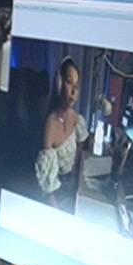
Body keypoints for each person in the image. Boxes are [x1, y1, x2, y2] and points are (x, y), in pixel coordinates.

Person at [34, 55, 89, 204]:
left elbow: (81, 143)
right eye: (69, 82)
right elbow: (48, 189)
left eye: (76, 86)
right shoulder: (50, 125)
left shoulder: (76, 119)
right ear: (59, 84)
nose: (73, 91)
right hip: (57, 194)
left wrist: (76, 170)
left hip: (74, 185)